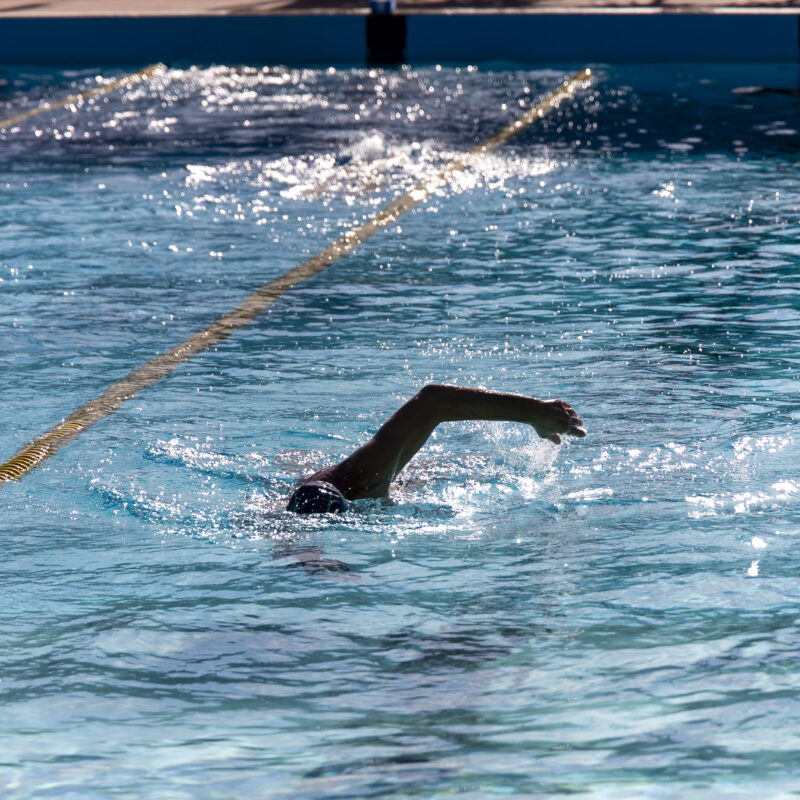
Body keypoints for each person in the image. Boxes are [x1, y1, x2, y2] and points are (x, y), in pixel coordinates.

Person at [287, 384, 586, 514]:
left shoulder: (364, 476)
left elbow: (433, 400)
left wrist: (534, 412)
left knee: (451, 470)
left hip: (364, 475)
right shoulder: (287, 516)